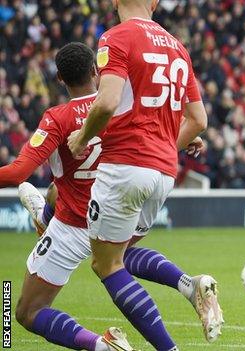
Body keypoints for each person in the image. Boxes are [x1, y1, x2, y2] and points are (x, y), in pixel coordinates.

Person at [67, 1, 221, 349]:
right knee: (122, 252)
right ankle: (188, 284)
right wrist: (167, 147)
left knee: (106, 265)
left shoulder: (116, 37)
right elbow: (198, 120)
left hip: (125, 166)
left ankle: (169, 348)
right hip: (163, 173)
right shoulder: (178, 46)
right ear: (154, 3)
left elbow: (106, 103)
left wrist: (83, 136)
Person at [0, 42, 135, 351]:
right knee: (53, 190)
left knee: (25, 312)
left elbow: (18, 173)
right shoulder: (120, 105)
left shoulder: (58, 118)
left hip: (73, 226)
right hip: (116, 219)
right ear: (95, 71)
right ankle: (43, 215)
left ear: (59, 79)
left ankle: (103, 346)